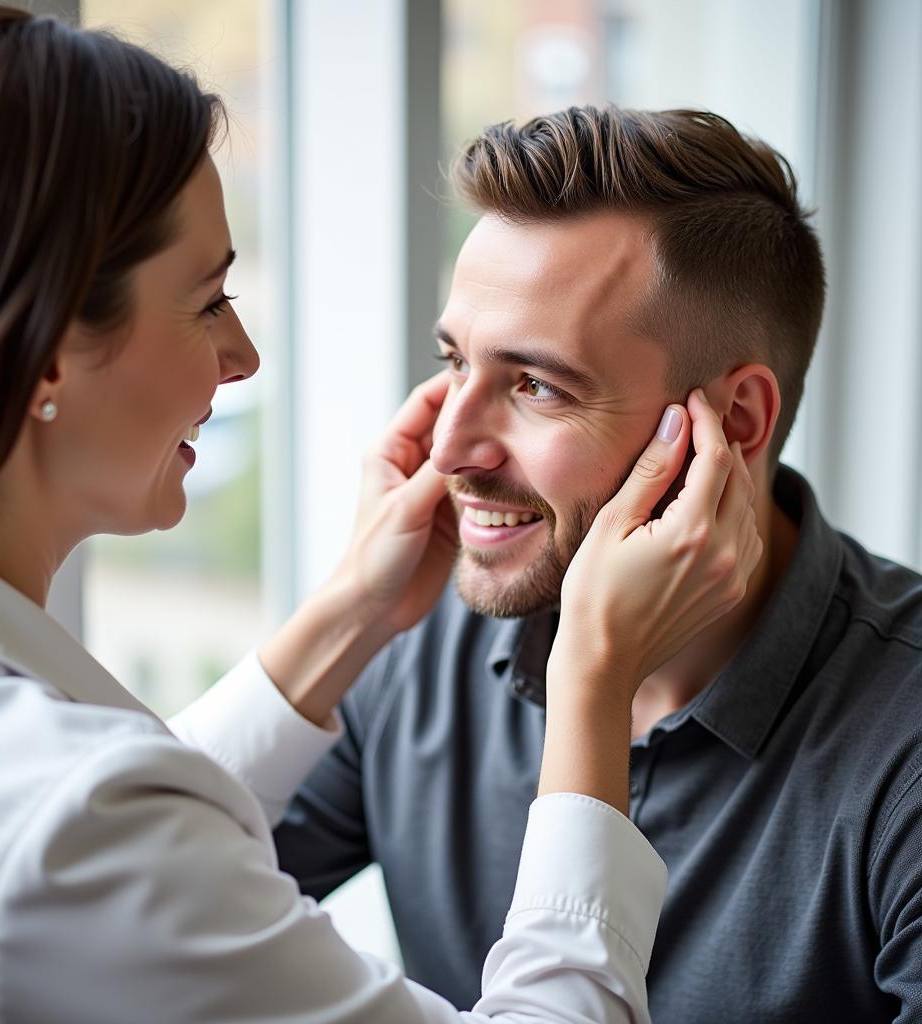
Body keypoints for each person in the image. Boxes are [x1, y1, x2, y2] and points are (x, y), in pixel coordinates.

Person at [0, 9, 762, 1023]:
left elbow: (140, 863)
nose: (244, 355)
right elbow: (110, 858)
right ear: (48, 349)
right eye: (209, 300)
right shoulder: (73, 824)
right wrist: (593, 682)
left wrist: (353, 607)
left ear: (728, 424)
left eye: (533, 383)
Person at [274, 106, 922, 1022]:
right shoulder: (423, 631)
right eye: (454, 361)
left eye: (536, 385)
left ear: (733, 423)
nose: (451, 449)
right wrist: (350, 610)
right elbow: (118, 909)